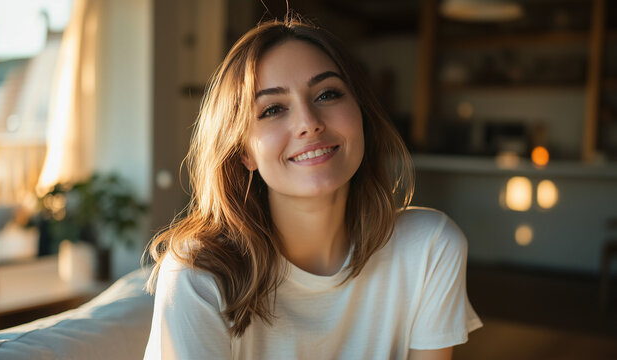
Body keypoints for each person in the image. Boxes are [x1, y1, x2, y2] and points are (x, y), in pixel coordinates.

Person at [143, 16, 482, 360]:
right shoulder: (198, 277)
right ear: (244, 152)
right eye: (273, 109)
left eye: (327, 94)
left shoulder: (429, 248)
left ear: (361, 115)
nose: (309, 123)